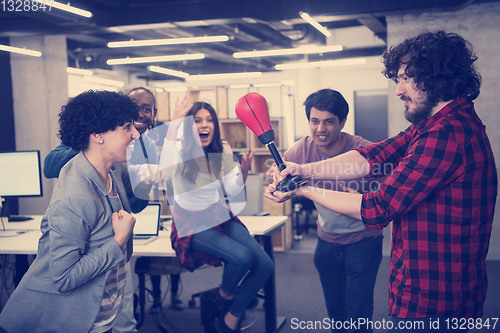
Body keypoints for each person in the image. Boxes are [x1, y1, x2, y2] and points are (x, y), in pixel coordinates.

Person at [266, 30, 497, 332]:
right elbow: (373, 156)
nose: (399, 90)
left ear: (435, 77)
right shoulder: (432, 126)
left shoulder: (447, 134)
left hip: (435, 303)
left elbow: (377, 208)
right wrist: (303, 170)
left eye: (405, 78)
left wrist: (302, 187)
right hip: (427, 292)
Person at [0, 90, 140, 333]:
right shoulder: (75, 196)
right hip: (75, 319)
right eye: (127, 127)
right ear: (97, 135)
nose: (136, 134)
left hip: (102, 310)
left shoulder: (113, 171)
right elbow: (64, 278)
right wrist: (118, 240)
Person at [43, 87, 185, 319]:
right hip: (93, 261)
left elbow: (136, 203)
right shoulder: (75, 197)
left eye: (145, 110)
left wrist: (143, 184)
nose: (139, 117)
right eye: (127, 123)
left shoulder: (134, 152)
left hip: (115, 259)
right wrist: (94, 149)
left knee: (122, 319)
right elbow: (50, 165)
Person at [266, 88, 383, 331]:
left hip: (363, 241)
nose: (321, 129)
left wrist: (365, 197)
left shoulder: (363, 150)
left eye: (329, 122)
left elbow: (391, 190)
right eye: (315, 121)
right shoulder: (299, 152)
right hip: (327, 241)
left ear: (343, 121)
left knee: (358, 313)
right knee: (337, 314)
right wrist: (275, 183)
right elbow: (282, 177)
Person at [160, 98, 272, 333]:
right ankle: (225, 296)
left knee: (264, 265)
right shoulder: (179, 152)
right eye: (197, 120)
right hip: (191, 222)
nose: (205, 125)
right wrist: (175, 124)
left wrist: (242, 174)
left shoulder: (221, 148)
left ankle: (229, 313)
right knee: (241, 258)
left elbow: (231, 189)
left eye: (209, 120)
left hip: (218, 214)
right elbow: (166, 172)